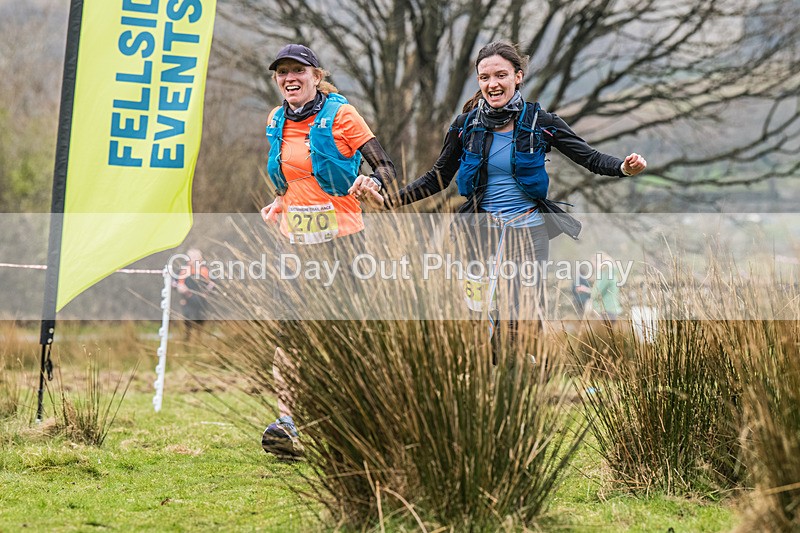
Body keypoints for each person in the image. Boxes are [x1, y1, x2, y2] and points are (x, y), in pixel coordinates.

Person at [354, 41, 646, 354]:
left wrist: (623, 168)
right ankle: (485, 376)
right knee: (479, 313)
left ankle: (519, 373)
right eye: (484, 77)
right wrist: (388, 202)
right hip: (479, 232)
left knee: (519, 318)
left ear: (518, 77)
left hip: (529, 233)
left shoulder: (541, 123)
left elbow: (590, 158)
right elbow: (435, 179)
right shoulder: (465, 126)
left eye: (501, 75)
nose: (492, 84)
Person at [258, 44, 396, 459]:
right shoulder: (275, 120)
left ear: (317, 76)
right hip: (295, 244)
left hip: (343, 241)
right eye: (282, 72)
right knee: (290, 337)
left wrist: (371, 183)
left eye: (297, 70)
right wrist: (281, 204)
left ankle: (356, 420)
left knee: (345, 332)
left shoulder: (342, 115)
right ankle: (288, 424)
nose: (289, 77)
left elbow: (385, 166)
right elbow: (293, 179)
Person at [175, 248, 215, 341]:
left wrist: (206, 293)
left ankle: (199, 338)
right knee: (187, 318)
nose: (193, 259)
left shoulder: (205, 271)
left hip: (201, 301)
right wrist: (182, 289)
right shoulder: (183, 271)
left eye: (196, 257)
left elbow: (213, 284)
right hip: (187, 300)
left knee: (201, 318)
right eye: (191, 257)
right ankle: (187, 337)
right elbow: (176, 283)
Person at [591, 252, 623, 322]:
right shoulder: (612, 273)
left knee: (605, 332)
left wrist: (590, 292)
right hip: (612, 308)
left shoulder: (605, 274)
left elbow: (596, 293)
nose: (593, 266)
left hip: (606, 309)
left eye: (594, 263)